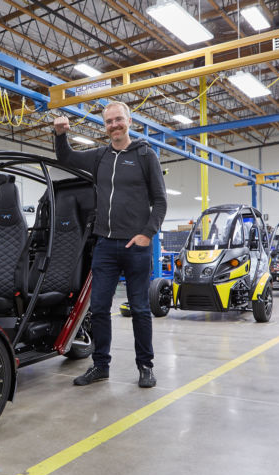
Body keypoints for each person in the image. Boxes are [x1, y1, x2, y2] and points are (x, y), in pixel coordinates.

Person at [53, 101, 167, 388]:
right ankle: (100, 366)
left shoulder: (145, 156)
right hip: (105, 245)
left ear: (129, 121)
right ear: (104, 126)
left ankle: (145, 367)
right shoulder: (100, 156)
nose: (114, 125)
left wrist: (147, 234)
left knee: (140, 309)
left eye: (118, 120)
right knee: (100, 308)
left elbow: (161, 201)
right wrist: (59, 134)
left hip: (136, 247)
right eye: (109, 122)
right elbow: (66, 158)